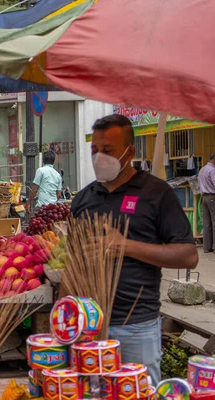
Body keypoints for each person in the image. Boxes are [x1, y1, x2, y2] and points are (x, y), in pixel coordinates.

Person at [70, 114, 198, 384]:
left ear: (130, 152)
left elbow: (188, 255)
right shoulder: (83, 199)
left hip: (136, 326)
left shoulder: (156, 193)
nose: (99, 157)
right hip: (88, 329)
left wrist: (124, 246)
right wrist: (67, 316)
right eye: (95, 150)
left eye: (108, 151)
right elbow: (72, 264)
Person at [198, 154, 215, 253]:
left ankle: (207, 247)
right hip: (212, 196)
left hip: (204, 197)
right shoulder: (212, 170)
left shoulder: (203, 169)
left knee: (207, 223)